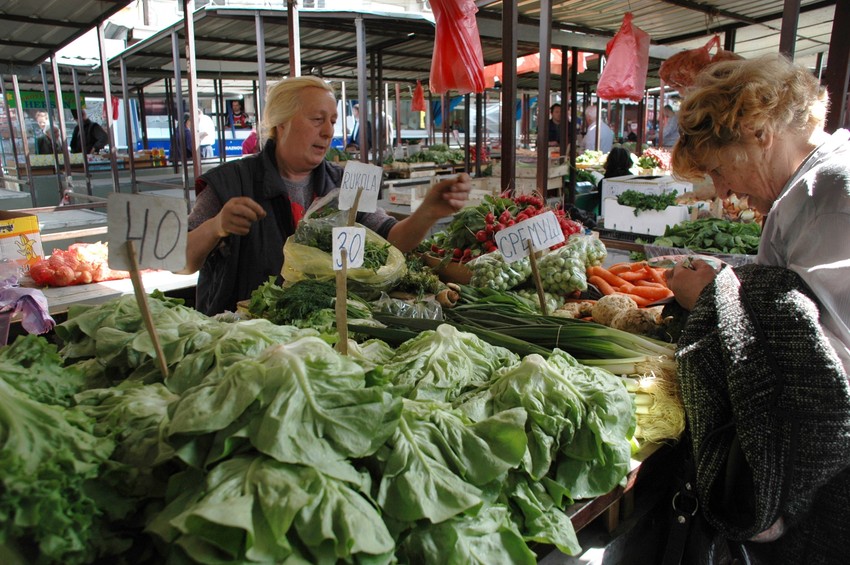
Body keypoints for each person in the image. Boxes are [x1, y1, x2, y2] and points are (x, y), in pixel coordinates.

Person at [181, 75, 471, 315]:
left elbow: (393, 240)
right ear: (281, 125)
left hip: (325, 333)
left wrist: (428, 213)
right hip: (242, 337)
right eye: (317, 119)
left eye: (332, 120)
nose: (328, 131)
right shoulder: (229, 183)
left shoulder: (346, 182)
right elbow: (183, 262)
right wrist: (216, 226)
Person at [665, 53, 850, 374]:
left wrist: (712, 300)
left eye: (719, 170)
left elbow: (824, 361)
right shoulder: (810, 190)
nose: (722, 192)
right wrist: (736, 284)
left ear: (758, 133)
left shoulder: (831, 201)